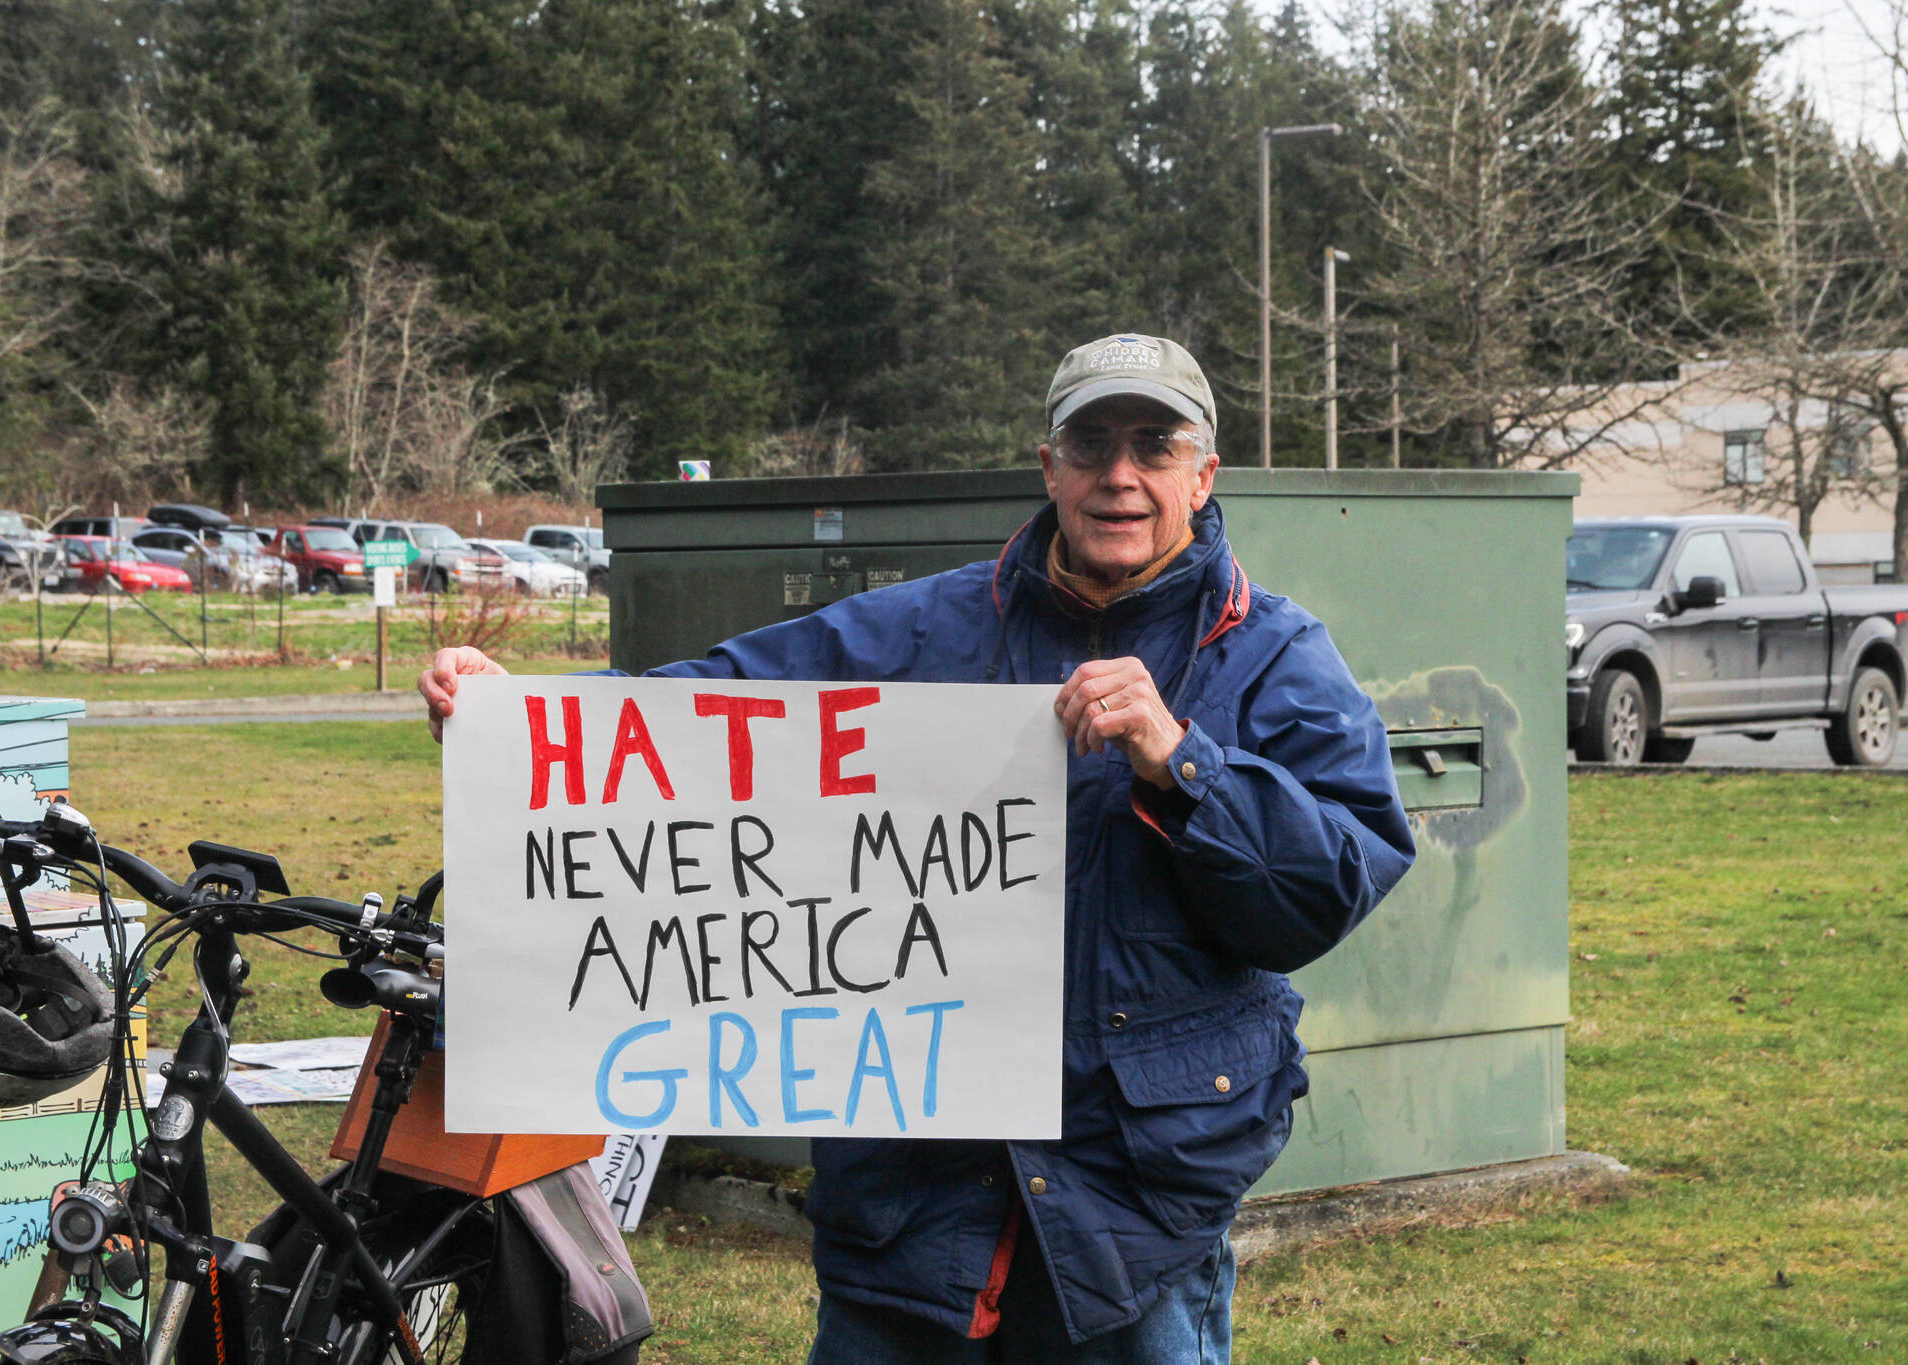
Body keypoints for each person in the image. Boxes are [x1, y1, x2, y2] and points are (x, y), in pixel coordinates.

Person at [421, 332, 1415, 1364]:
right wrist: (519, 717)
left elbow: (1331, 884)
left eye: (1153, 446)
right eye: (1091, 445)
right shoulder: (921, 629)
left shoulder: (1275, 655)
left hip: (1137, 1210)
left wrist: (1183, 763)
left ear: (1202, 475)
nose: (1119, 475)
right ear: (1050, 468)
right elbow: (705, 711)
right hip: (912, 1202)